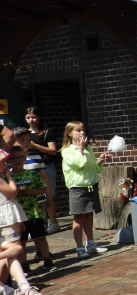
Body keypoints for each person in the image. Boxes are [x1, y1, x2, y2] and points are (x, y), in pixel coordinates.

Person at [61, 121, 110, 258]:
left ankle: (90, 244)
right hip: (78, 188)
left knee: (89, 215)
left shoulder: (88, 148)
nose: (82, 132)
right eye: (78, 130)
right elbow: (79, 164)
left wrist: (99, 161)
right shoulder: (67, 151)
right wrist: (80, 148)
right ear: (69, 134)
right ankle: (79, 248)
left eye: (83, 130)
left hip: (90, 186)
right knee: (79, 218)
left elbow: (94, 167)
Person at [0, 148, 43, 295]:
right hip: (5, 220)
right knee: (16, 249)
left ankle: (14, 287)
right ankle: (21, 286)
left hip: (9, 218)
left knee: (10, 253)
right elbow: (13, 193)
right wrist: (10, 177)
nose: (6, 164)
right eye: (3, 162)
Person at [8, 145, 54, 273]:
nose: (18, 160)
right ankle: (24, 265)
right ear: (8, 161)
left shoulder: (33, 174)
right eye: (14, 158)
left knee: (40, 237)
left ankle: (47, 260)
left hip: (34, 212)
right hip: (18, 215)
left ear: (25, 158)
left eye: (20, 157)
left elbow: (42, 190)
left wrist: (30, 191)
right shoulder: (8, 178)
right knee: (22, 240)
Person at [25, 107, 61, 234]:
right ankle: (37, 224)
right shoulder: (24, 133)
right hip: (30, 166)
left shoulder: (46, 132)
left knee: (48, 195)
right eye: (28, 117)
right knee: (33, 196)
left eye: (33, 117)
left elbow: (53, 150)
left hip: (46, 166)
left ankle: (53, 223)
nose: (31, 120)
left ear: (39, 118)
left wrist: (34, 146)